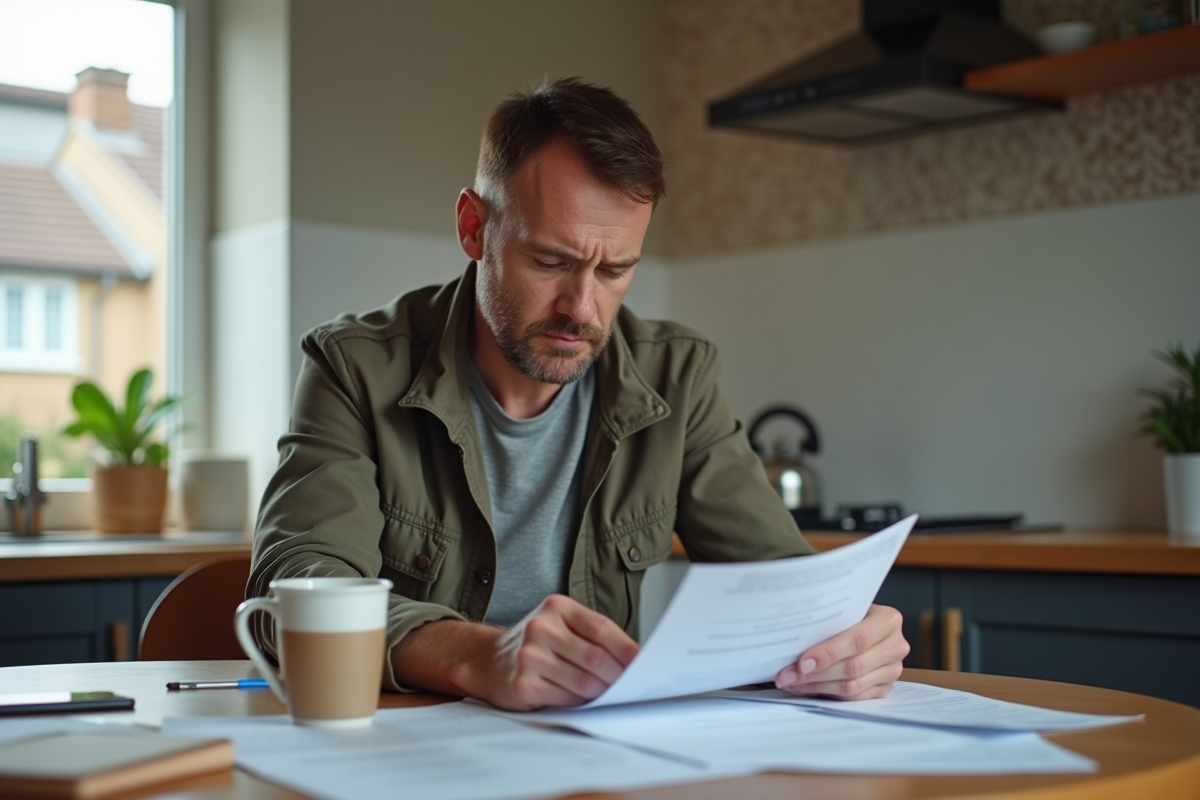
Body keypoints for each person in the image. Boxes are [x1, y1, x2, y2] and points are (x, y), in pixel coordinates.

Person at [249, 77, 908, 711]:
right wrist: (477, 657)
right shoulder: (353, 368)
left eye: (616, 270)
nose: (582, 309)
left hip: (596, 759)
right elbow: (298, 593)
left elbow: (784, 593)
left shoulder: (677, 377)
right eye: (551, 262)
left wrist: (845, 641)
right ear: (474, 227)